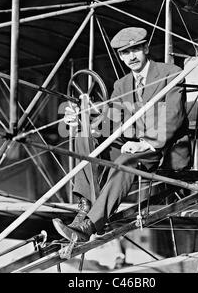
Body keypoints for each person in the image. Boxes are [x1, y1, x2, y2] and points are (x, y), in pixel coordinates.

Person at [53, 26, 190, 242]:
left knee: (126, 159)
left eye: (135, 49)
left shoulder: (170, 73)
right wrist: (81, 118)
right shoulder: (122, 84)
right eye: (125, 53)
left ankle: (90, 224)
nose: (131, 56)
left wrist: (144, 143)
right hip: (131, 145)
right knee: (83, 134)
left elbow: (174, 116)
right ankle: (86, 206)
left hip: (163, 150)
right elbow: (110, 119)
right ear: (120, 56)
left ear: (146, 48)